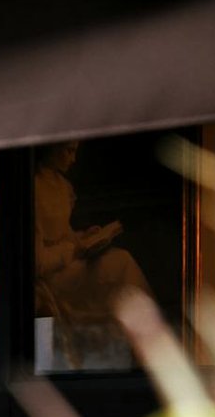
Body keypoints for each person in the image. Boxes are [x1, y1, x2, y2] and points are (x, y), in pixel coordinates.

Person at [33, 142, 151, 366]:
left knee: (121, 259)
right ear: (51, 148)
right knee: (120, 263)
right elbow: (39, 262)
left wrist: (84, 237)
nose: (73, 159)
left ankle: (143, 341)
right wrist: (74, 249)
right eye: (68, 151)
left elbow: (63, 233)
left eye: (75, 151)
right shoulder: (33, 189)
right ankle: (145, 343)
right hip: (52, 276)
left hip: (70, 262)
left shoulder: (62, 186)